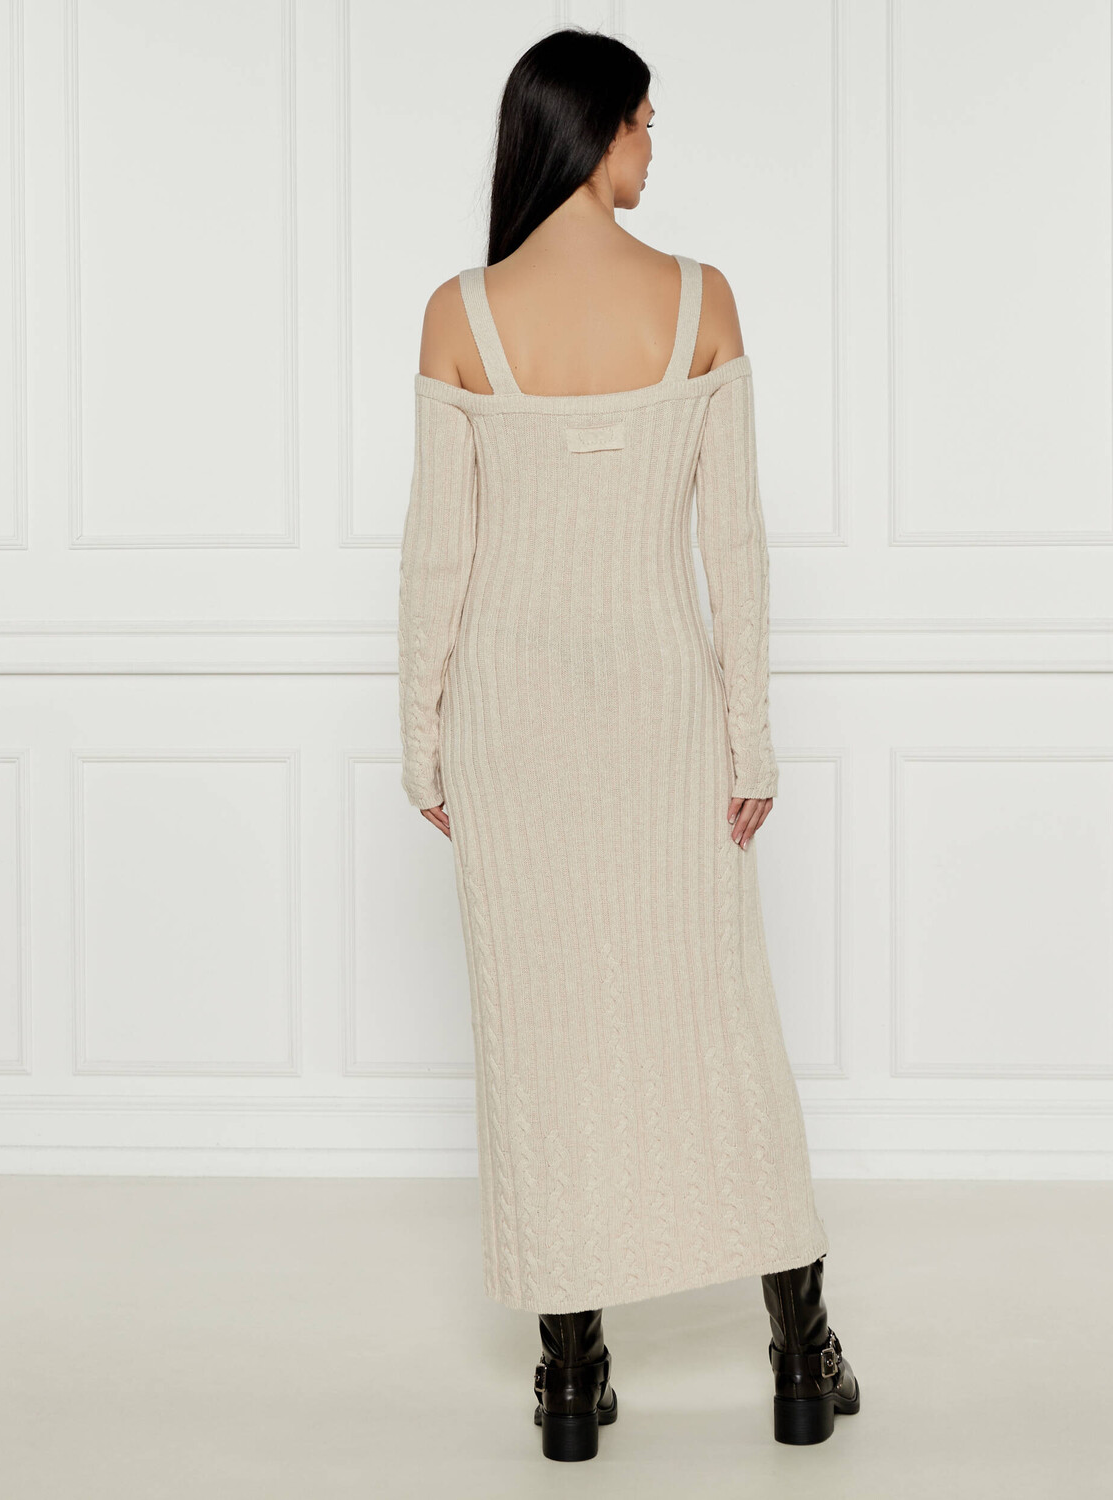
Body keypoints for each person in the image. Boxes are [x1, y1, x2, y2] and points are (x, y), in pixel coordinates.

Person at [397, 26, 860, 1461]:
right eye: (646, 122)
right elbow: (738, 551)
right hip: (665, 708)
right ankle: (800, 1349)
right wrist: (750, 741)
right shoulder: (702, 301)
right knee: (722, 1025)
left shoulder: (459, 313)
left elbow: (436, 559)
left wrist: (422, 738)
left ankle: (568, 1375)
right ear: (595, 131)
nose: (655, 146)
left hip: (511, 719)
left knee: (540, 1039)